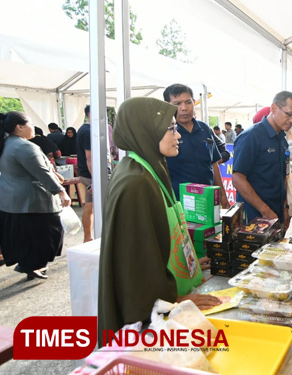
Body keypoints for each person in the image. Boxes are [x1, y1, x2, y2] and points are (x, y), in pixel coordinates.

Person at [98, 97, 222, 343]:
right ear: (146, 129)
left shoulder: (150, 168)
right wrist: (174, 301)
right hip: (149, 316)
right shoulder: (134, 182)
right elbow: (134, 266)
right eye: (171, 129)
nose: (178, 136)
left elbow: (156, 238)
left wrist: (187, 264)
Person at [0, 111, 71, 280]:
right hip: (33, 201)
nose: (33, 128)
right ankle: (33, 265)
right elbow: (42, 173)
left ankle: (28, 263)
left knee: (25, 238)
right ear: (19, 126)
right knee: (48, 236)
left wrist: (56, 175)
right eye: (30, 124)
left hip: (12, 202)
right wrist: (61, 192)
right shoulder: (23, 146)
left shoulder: (6, 144)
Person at [233, 91, 292, 227]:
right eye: (289, 114)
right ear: (274, 108)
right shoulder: (251, 137)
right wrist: (265, 211)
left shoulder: (281, 139)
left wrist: (285, 208)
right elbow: (238, 179)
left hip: (276, 212)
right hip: (255, 216)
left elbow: (283, 176)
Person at [163, 84, 230, 207]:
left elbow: (214, 164)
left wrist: (222, 195)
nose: (184, 108)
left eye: (188, 102)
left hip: (208, 200)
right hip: (180, 203)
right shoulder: (166, 133)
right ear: (167, 106)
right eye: (177, 104)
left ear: (194, 103)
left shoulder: (204, 128)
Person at [76, 105, 95, 242]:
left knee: (91, 205)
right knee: (91, 205)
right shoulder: (87, 131)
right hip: (90, 175)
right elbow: (90, 158)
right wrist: (96, 179)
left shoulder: (84, 129)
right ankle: (88, 237)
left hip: (87, 173)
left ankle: (88, 236)